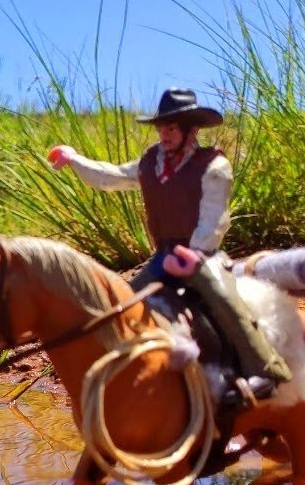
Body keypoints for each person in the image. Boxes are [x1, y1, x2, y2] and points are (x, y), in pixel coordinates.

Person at [47, 87, 291, 407]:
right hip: (164, 256)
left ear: (192, 130)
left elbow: (214, 219)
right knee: (124, 304)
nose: (164, 134)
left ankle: (267, 369)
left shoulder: (213, 166)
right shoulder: (151, 163)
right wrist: (74, 159)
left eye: (172, 127)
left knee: (223, 299)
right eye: (162, 127)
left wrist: (195, 256)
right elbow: (112, 177)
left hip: (202, 254)